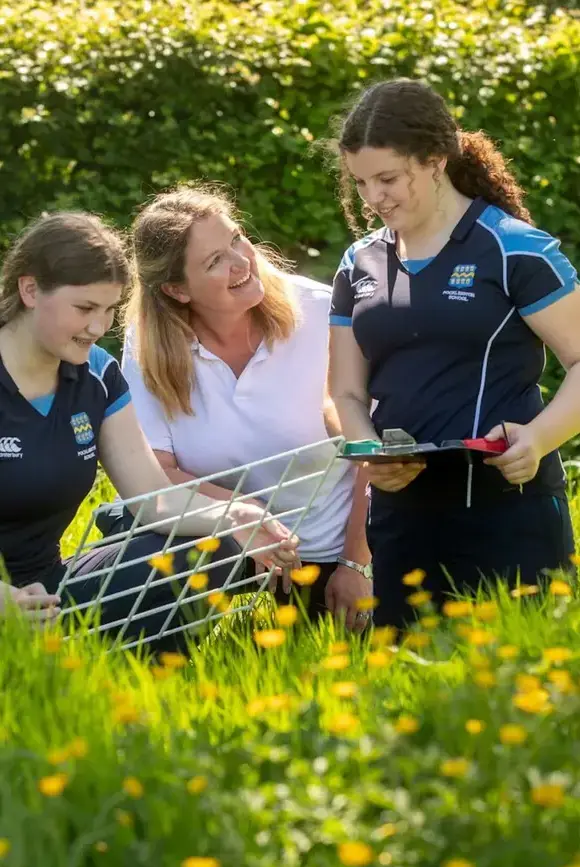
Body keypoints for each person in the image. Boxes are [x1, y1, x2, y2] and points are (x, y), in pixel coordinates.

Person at [327, 78, 580, 630]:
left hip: (510, 511)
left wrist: (539, 439)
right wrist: (368, 449)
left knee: (519, 701)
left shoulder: (515, 249)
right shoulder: (357, 264)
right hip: (400, 520)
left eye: (389, 178)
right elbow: (344, 390)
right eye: (361, 182)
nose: (375, 198)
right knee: (408, 701)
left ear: (436, 159)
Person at [0, 211, 299, 650]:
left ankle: (142, 680)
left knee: (224, 545)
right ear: (30, 290)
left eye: (109, 310)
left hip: (46, 592)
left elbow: (153, 497)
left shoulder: (98, 374)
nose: (98, 328)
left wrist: (234, 515)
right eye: (84, 308)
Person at [113, 183, 373, 631]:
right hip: (224, 547)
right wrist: (246, 518)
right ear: (177, 290)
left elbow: (377, 453)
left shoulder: (322, 313)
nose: (242, 261)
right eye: (215, 261)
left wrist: (358, 562)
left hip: (334, 551)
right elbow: (155, 476)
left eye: (236, 238)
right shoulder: (148, 347)